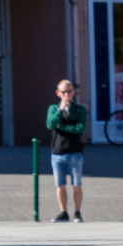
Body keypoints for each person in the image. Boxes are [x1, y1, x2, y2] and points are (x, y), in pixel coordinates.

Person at [46, 79, 88, 223]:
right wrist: (60, 110)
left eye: (69, 92)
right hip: (57, 152)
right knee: (60, 185)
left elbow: (80, 128)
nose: (67, 95)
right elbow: (50, 124)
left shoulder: (80, 110)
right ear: (58, 93)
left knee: (76, 184)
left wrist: (61, 127)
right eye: (63, 92)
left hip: (75, 152)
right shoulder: (53, 108)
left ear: (73, 92)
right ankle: (63, 212)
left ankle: (77, 212)